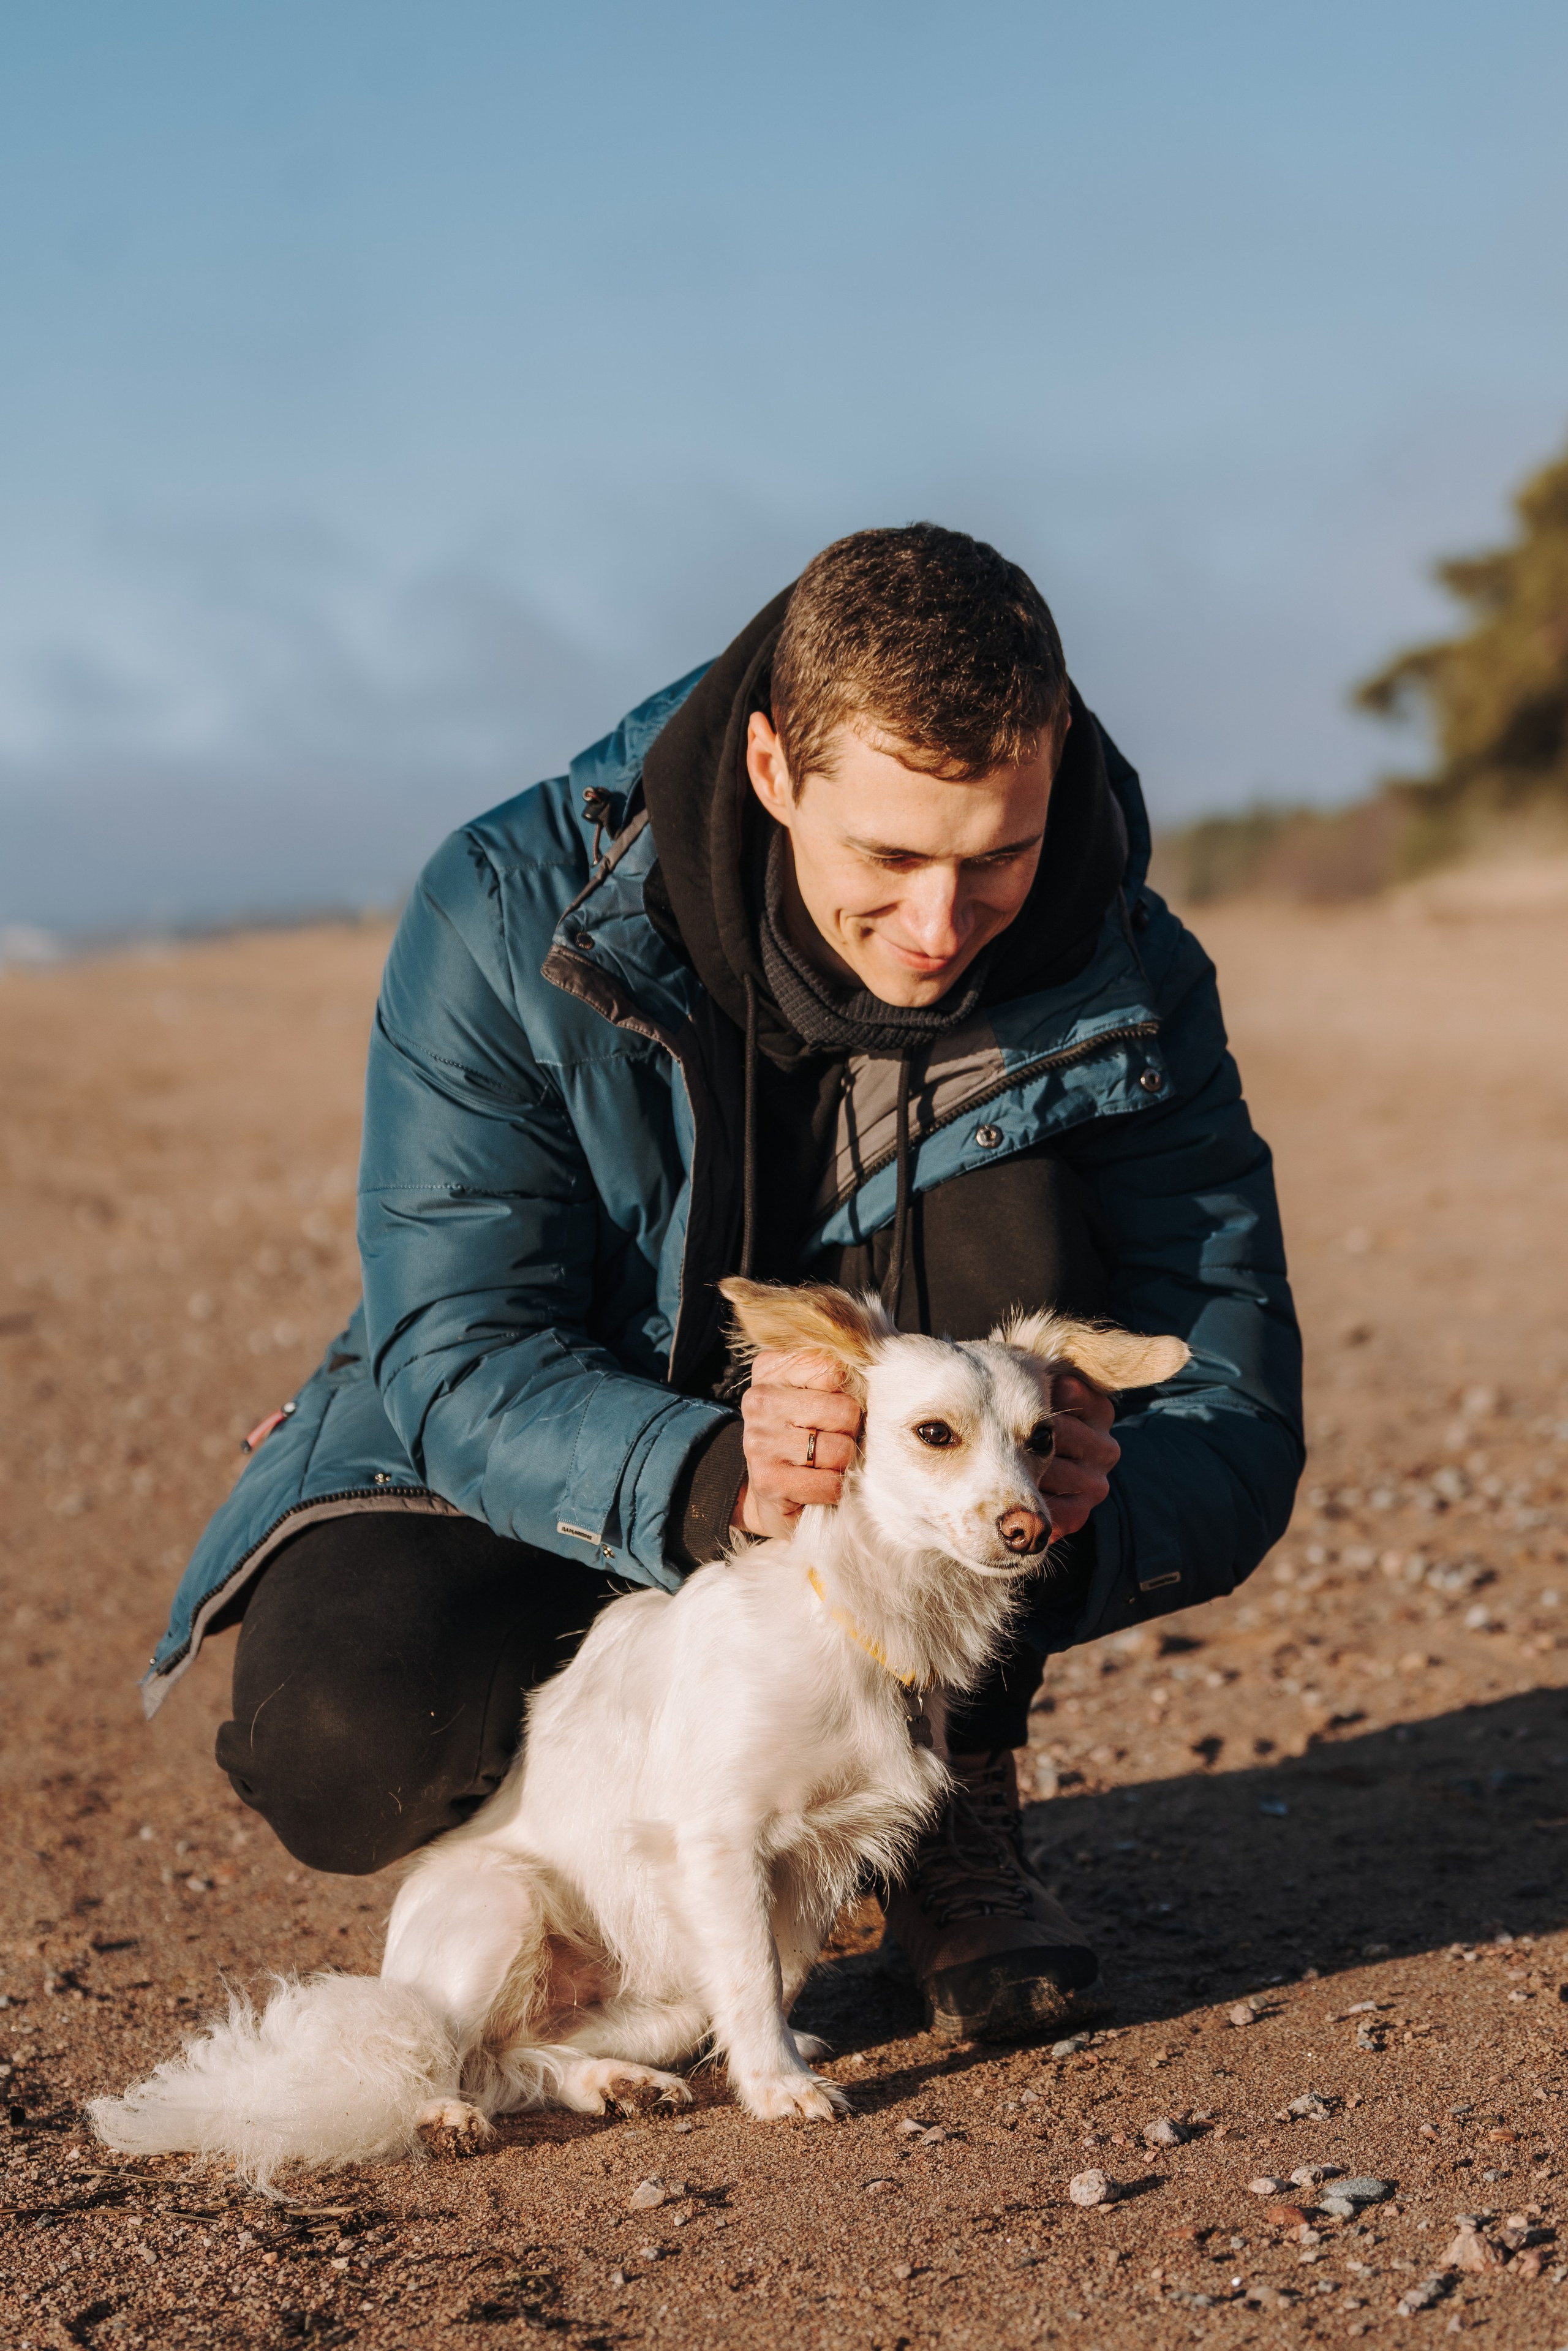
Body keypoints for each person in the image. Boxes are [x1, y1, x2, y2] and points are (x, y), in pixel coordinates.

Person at [145, 525, 1303, 2042]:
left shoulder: (1127, 964)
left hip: (913, 1497)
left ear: (1055, 769)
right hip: (582, 1431)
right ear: (772, 769)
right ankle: (598, 1858)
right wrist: (701, 1473)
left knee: (1018, 1206)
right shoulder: (505, 906)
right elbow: (459, 1329)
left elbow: (1226, 1379)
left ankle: (930, 1781)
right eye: (886, 856)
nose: (941, 926)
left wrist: (1091, 1496)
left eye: (996, 855)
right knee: (346, 1739)